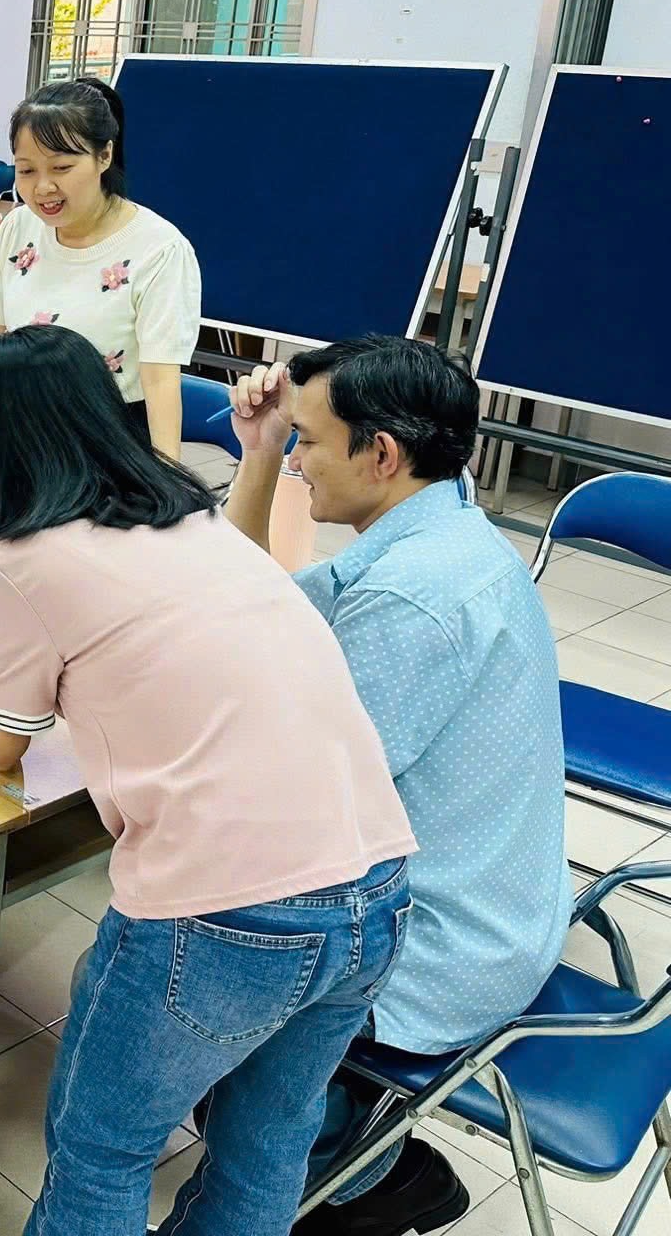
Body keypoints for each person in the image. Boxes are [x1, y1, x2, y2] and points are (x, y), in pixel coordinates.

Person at [0, 324, 415, 1236]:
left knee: (103, 1153)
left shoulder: (17, 558)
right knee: (266, 1146)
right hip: (377, 889)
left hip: (228, 913)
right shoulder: (191, 514)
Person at [227, 337, 567, 1234]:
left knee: (181, 995)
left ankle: (360, 1173)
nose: (297, 462)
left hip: (444, 949)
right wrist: (259, 452)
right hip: (496, 904)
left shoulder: (413, 597)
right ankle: (354, 1148)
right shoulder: (440, 521)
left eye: (305, 442)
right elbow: (254, 609)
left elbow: (301, 800)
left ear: (380, 453)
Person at [0, 77, 201, 456]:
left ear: (104, 156)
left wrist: (165, 478)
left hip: (104, 445)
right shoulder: (19, 227)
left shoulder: (160, 250)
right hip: (17, 434)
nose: (43, 188)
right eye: (26, 171)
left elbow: (160, 380)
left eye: (62, 167)